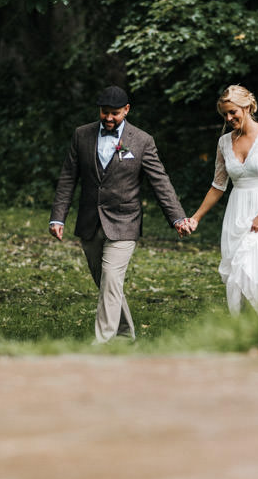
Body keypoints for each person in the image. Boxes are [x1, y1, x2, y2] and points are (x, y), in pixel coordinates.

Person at [50, 86, 191, 343]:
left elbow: (160, 181)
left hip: (125, 221)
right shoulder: (82, 135)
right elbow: (68, 178)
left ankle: (102, 341)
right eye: (105, 112)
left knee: (112, 278)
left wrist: (177, 218)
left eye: (115, 113)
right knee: (106, 282)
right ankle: (125, 334)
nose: (109, 118)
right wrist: (58, 217)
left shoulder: (142, 141)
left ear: (126, 110)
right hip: (90, 222)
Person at [185, 85, 258, 315]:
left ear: (248, 107)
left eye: (233, 112)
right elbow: (218, 185)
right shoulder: (224, 143)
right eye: (225, 114)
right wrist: (196, 218)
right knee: (237, 273)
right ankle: (242, 327)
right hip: (237, 211)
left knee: (255, 270)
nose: (229, 118)